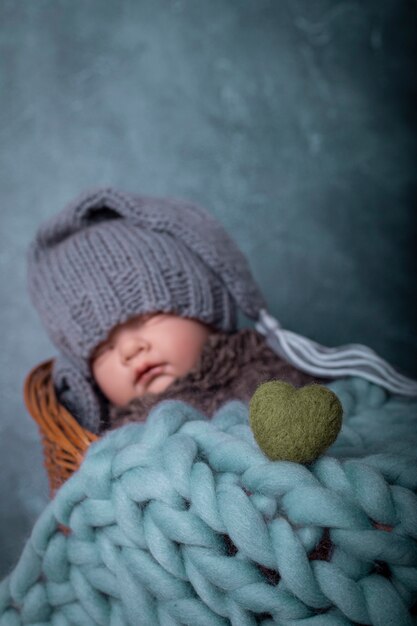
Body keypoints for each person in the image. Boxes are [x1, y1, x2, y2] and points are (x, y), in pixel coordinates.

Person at [27, 188, 417, 433]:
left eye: (148, 317)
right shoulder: (127, 434)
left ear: (206, 310)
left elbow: (350, 413)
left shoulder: (269, 363)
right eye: (102, 349)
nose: (130, 350)